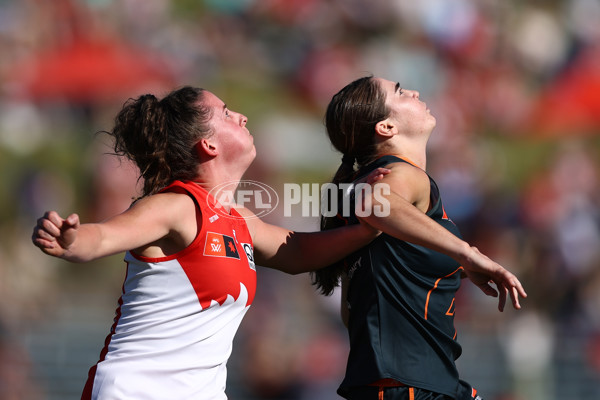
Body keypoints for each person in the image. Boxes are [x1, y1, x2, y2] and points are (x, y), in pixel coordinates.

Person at [31, 86, 388, 400]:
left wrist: (369, 228)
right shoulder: (177, 205)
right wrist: (72, 240)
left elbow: (297, 251)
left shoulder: (240, 219)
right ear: (209, 143)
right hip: (135, 390)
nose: (243, 117)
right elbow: (103, 236)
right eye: (228, 114)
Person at [312, 76, 527, 400]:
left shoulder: (362, 185)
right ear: (385, 128)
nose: (413, 91)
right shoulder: (400, 175)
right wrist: (466, 253)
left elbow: (351, 310)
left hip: (414, 383)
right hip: (410, 384)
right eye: (399, 92)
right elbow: (375, 205)